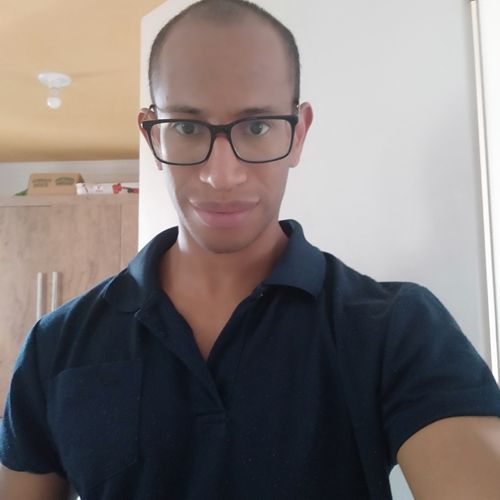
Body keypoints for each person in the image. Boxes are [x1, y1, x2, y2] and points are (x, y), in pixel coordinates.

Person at [1, 0, 500, 498]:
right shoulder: (55, 344)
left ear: (298, 133)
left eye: (257, 126)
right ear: (153, 138)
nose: (221, 175)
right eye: (187, 127)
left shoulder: (399, 329)